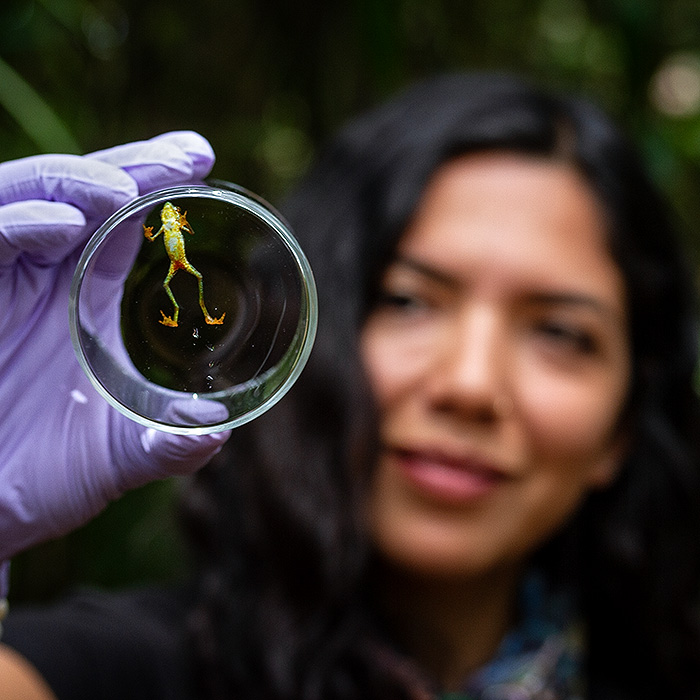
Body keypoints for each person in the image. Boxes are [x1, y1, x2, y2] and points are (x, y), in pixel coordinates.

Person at [1, 72, 700, 700]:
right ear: (303, 329)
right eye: (407, 301)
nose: (470, 384)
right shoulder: (114, 674)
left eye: (560, 334)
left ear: (624, 425)